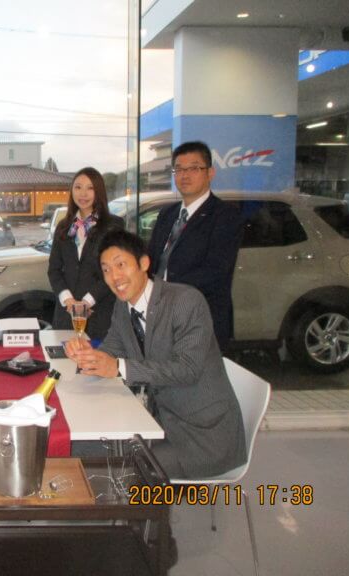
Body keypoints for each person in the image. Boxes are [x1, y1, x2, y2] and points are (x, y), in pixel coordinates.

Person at [66, 229, 245, 479]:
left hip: (203, 436)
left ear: (144, 263)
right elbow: (111, 350)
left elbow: (187, 370)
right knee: (86, 447)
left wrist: (117, 367)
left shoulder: (186, 301)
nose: (114, 276)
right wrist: (88, 356)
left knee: (123, 468)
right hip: (159, 421)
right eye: (106, 270)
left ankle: (143, 506)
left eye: (120, 265)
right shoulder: (122, 307)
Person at [147, 140, 243, 350]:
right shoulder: (167, 214)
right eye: (179, 169)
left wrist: (162, 289)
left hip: (201, 318)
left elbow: (216, 270)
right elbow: (152, 260)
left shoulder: (225, 216)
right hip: (161, 317)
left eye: (194, 168)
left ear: (210, 173)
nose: (185, 175)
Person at [47, 167, 124, 339]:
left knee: (96, 355)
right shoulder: (64, 226)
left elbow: (114, 271)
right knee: (64, 356)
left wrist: (86, 302)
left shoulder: (113, 226)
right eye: (78, 187)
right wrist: (68, 300)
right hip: (66, 316)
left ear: (99, 192)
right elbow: (54, 270)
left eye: (90, 188)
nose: (83, 193)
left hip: (99, 315)